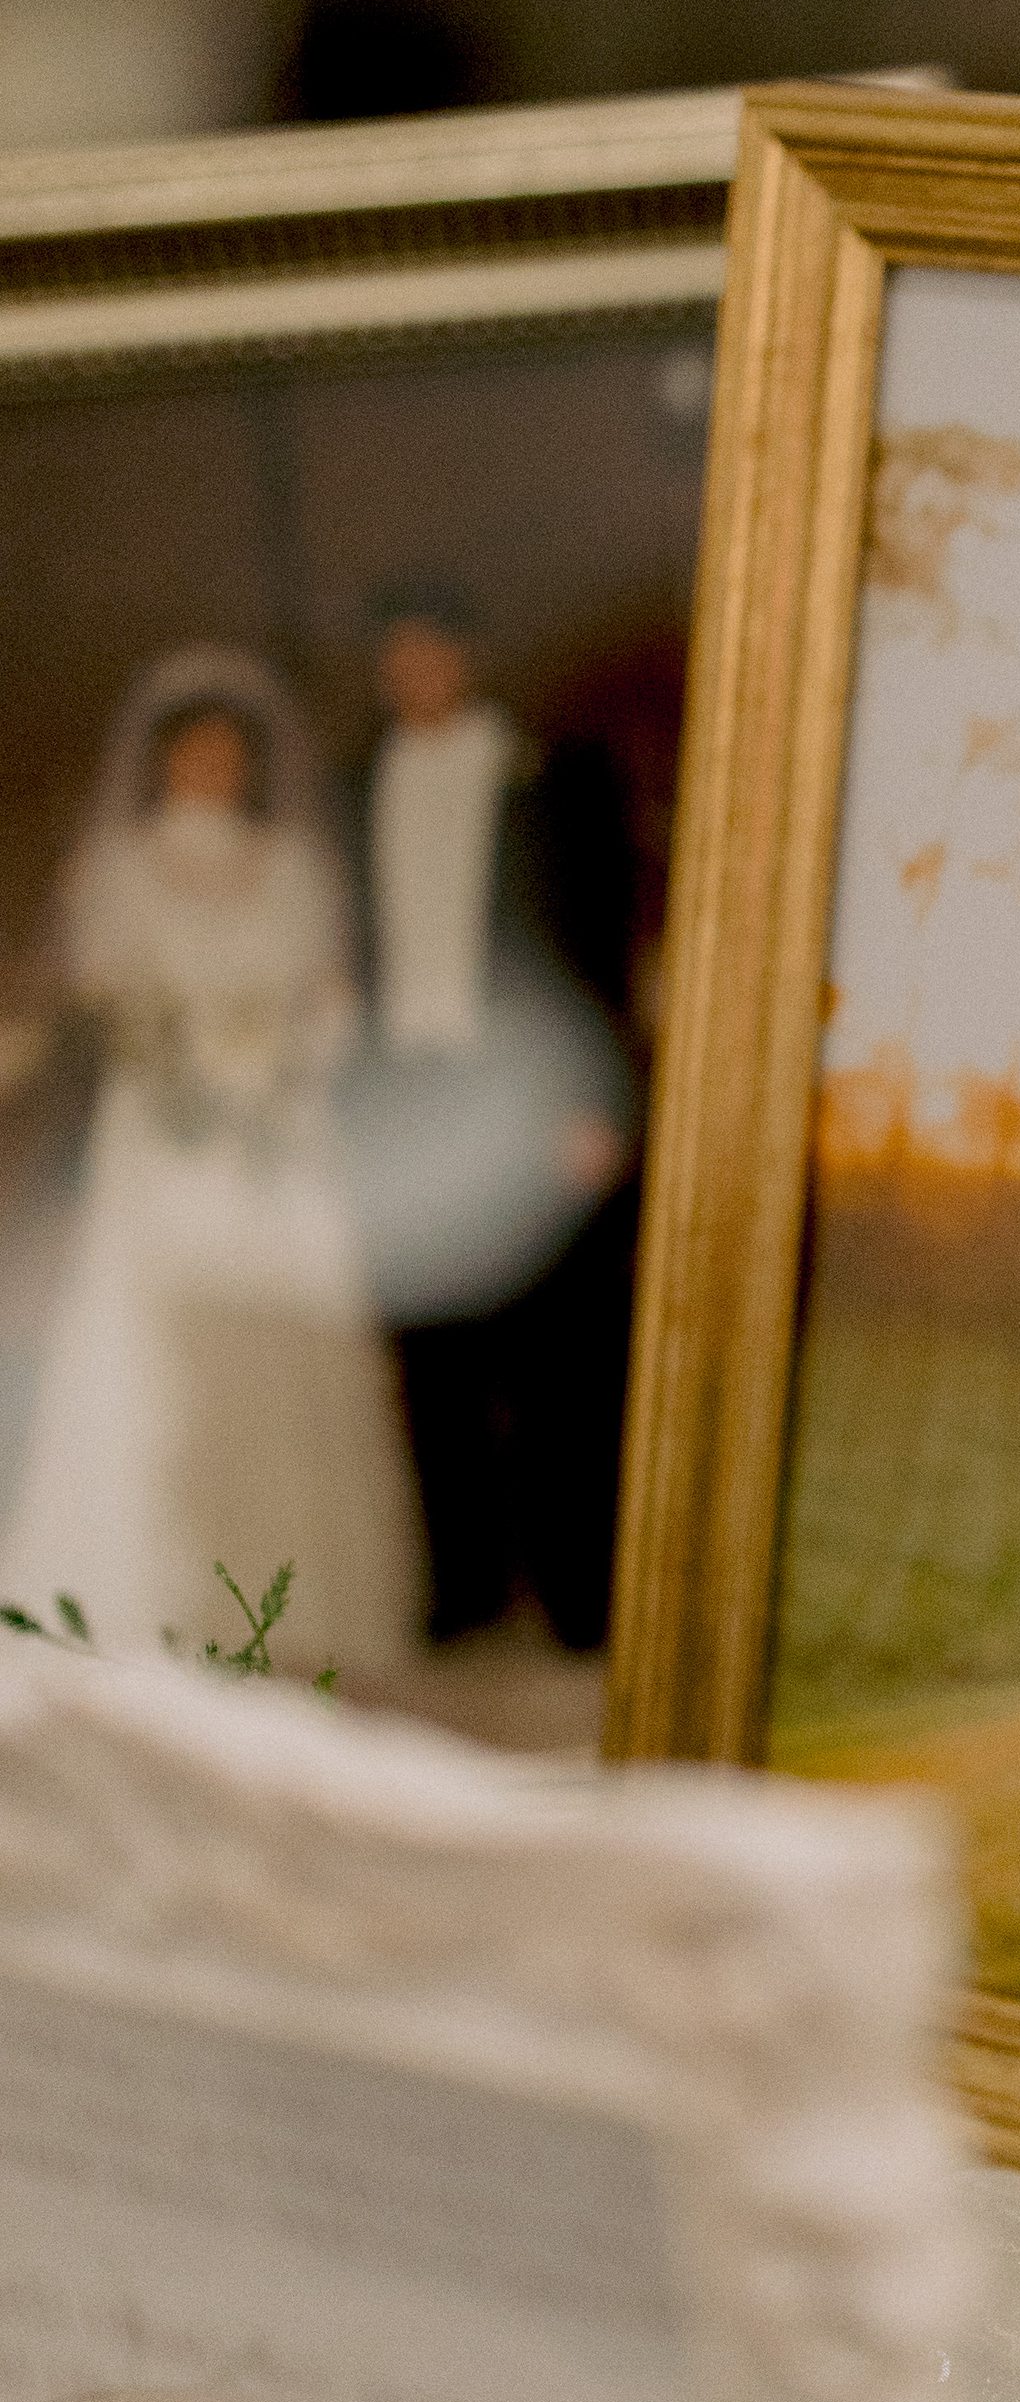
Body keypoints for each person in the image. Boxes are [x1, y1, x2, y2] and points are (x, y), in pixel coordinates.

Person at [0, 648, 420, 1669]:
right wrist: (177, 1053)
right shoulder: (118, 867)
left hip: (268, 1143)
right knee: (146, 1334)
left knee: (280, 1335)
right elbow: (97, 991)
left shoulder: (294, 871)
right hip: (160, 1139)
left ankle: (287, 1589)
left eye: (228, 755)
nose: (210, 770)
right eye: (193, 753)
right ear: (161, 761)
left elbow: (330, 1003)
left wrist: (279, 1067)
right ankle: (132, 1587)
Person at [340, 586, 638, 1649]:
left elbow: (602, 949)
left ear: (466, 658)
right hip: (407, 1109)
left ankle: (582, 1599)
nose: (412, 677)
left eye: (430, 656)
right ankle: (464, 1592)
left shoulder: (553, 778)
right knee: (432, 1369)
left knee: (558, 1369)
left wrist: (597, 1107)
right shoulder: (351, 787)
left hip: (529, 1107)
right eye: (395, 662)